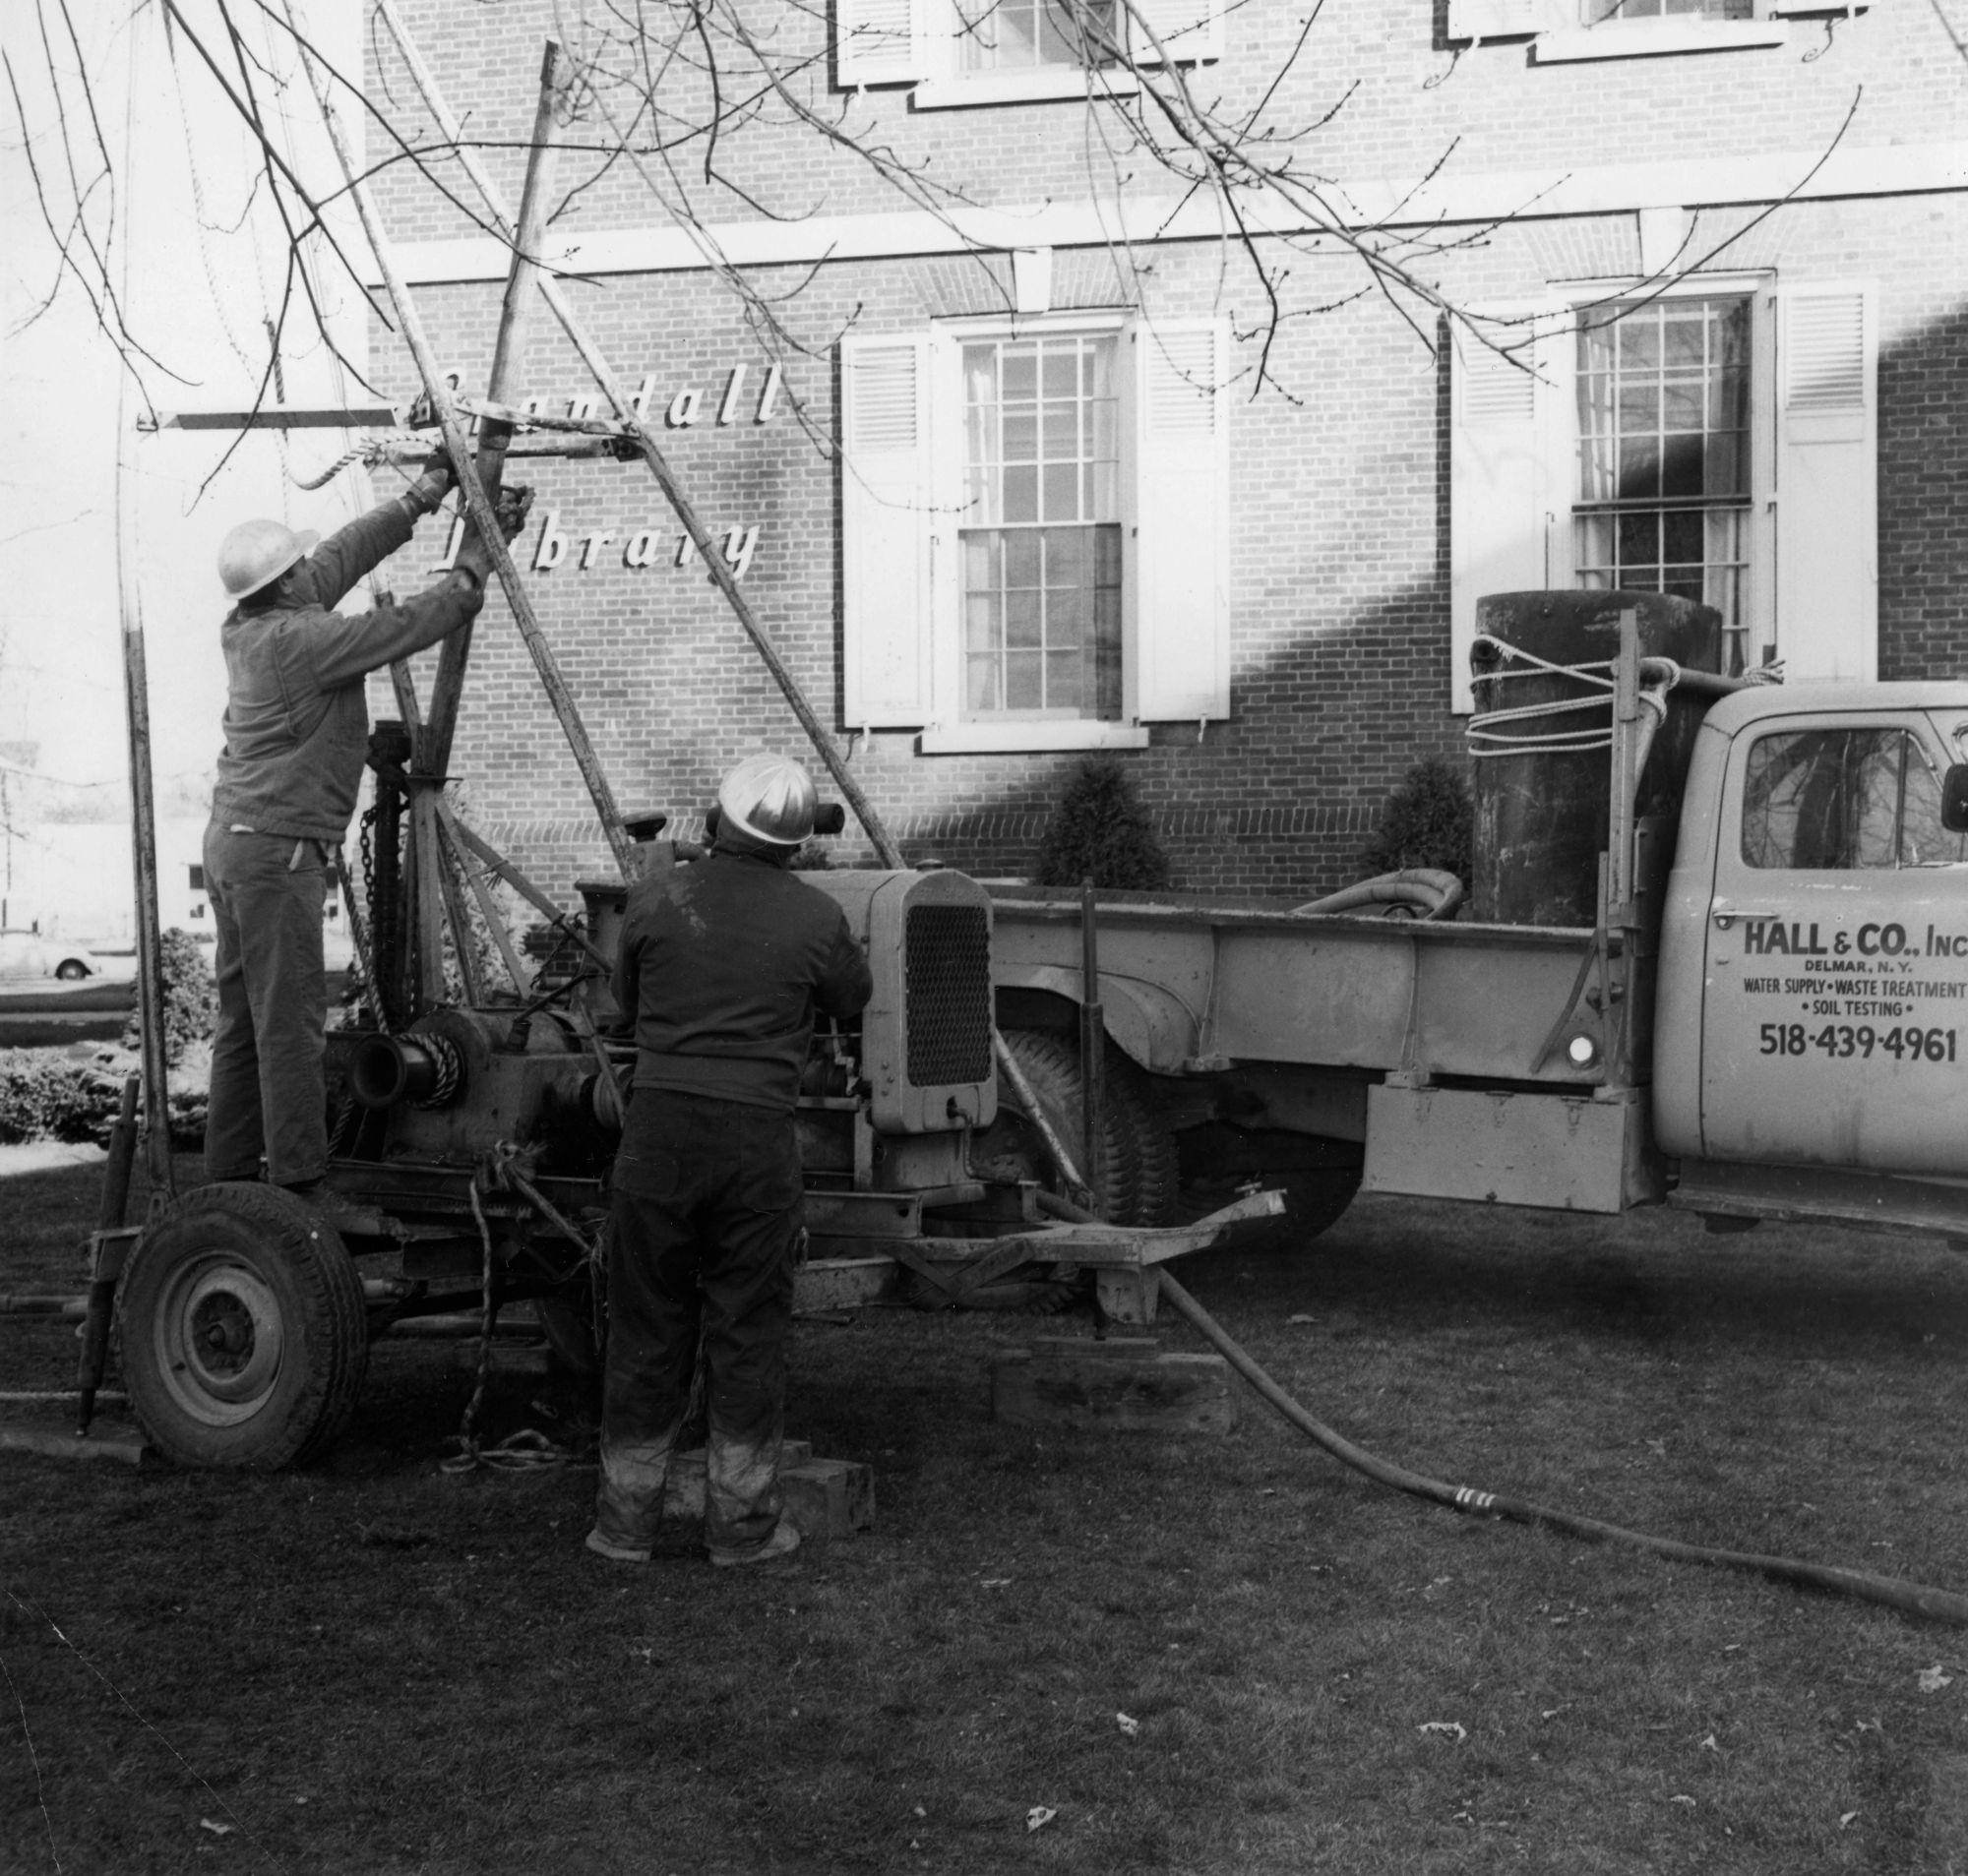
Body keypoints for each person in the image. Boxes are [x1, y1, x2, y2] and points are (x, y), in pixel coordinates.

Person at [203, 459, 531, 1198]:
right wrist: (473, 568)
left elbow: (342, 553)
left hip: (237, 842)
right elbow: (410, 624)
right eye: (300, 570)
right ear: (286, 585)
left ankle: (225, 1176)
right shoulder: (303, 642)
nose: (311, 574)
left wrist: (422, 496)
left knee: (242, 1021)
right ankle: (298, 1183)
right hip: (275, 853)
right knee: (289, 1025)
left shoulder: (253, 623)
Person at [589, 753, 873, 1570]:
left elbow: (626, 1006)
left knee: (646, 1325)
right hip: (755, 1146)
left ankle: (624, 1524)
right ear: (795, 844)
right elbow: (851, 998)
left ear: (715, 823)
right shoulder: (816, 916)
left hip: (659, 1137)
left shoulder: (657, 899)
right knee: (747, 1330)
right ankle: (741, 1528)